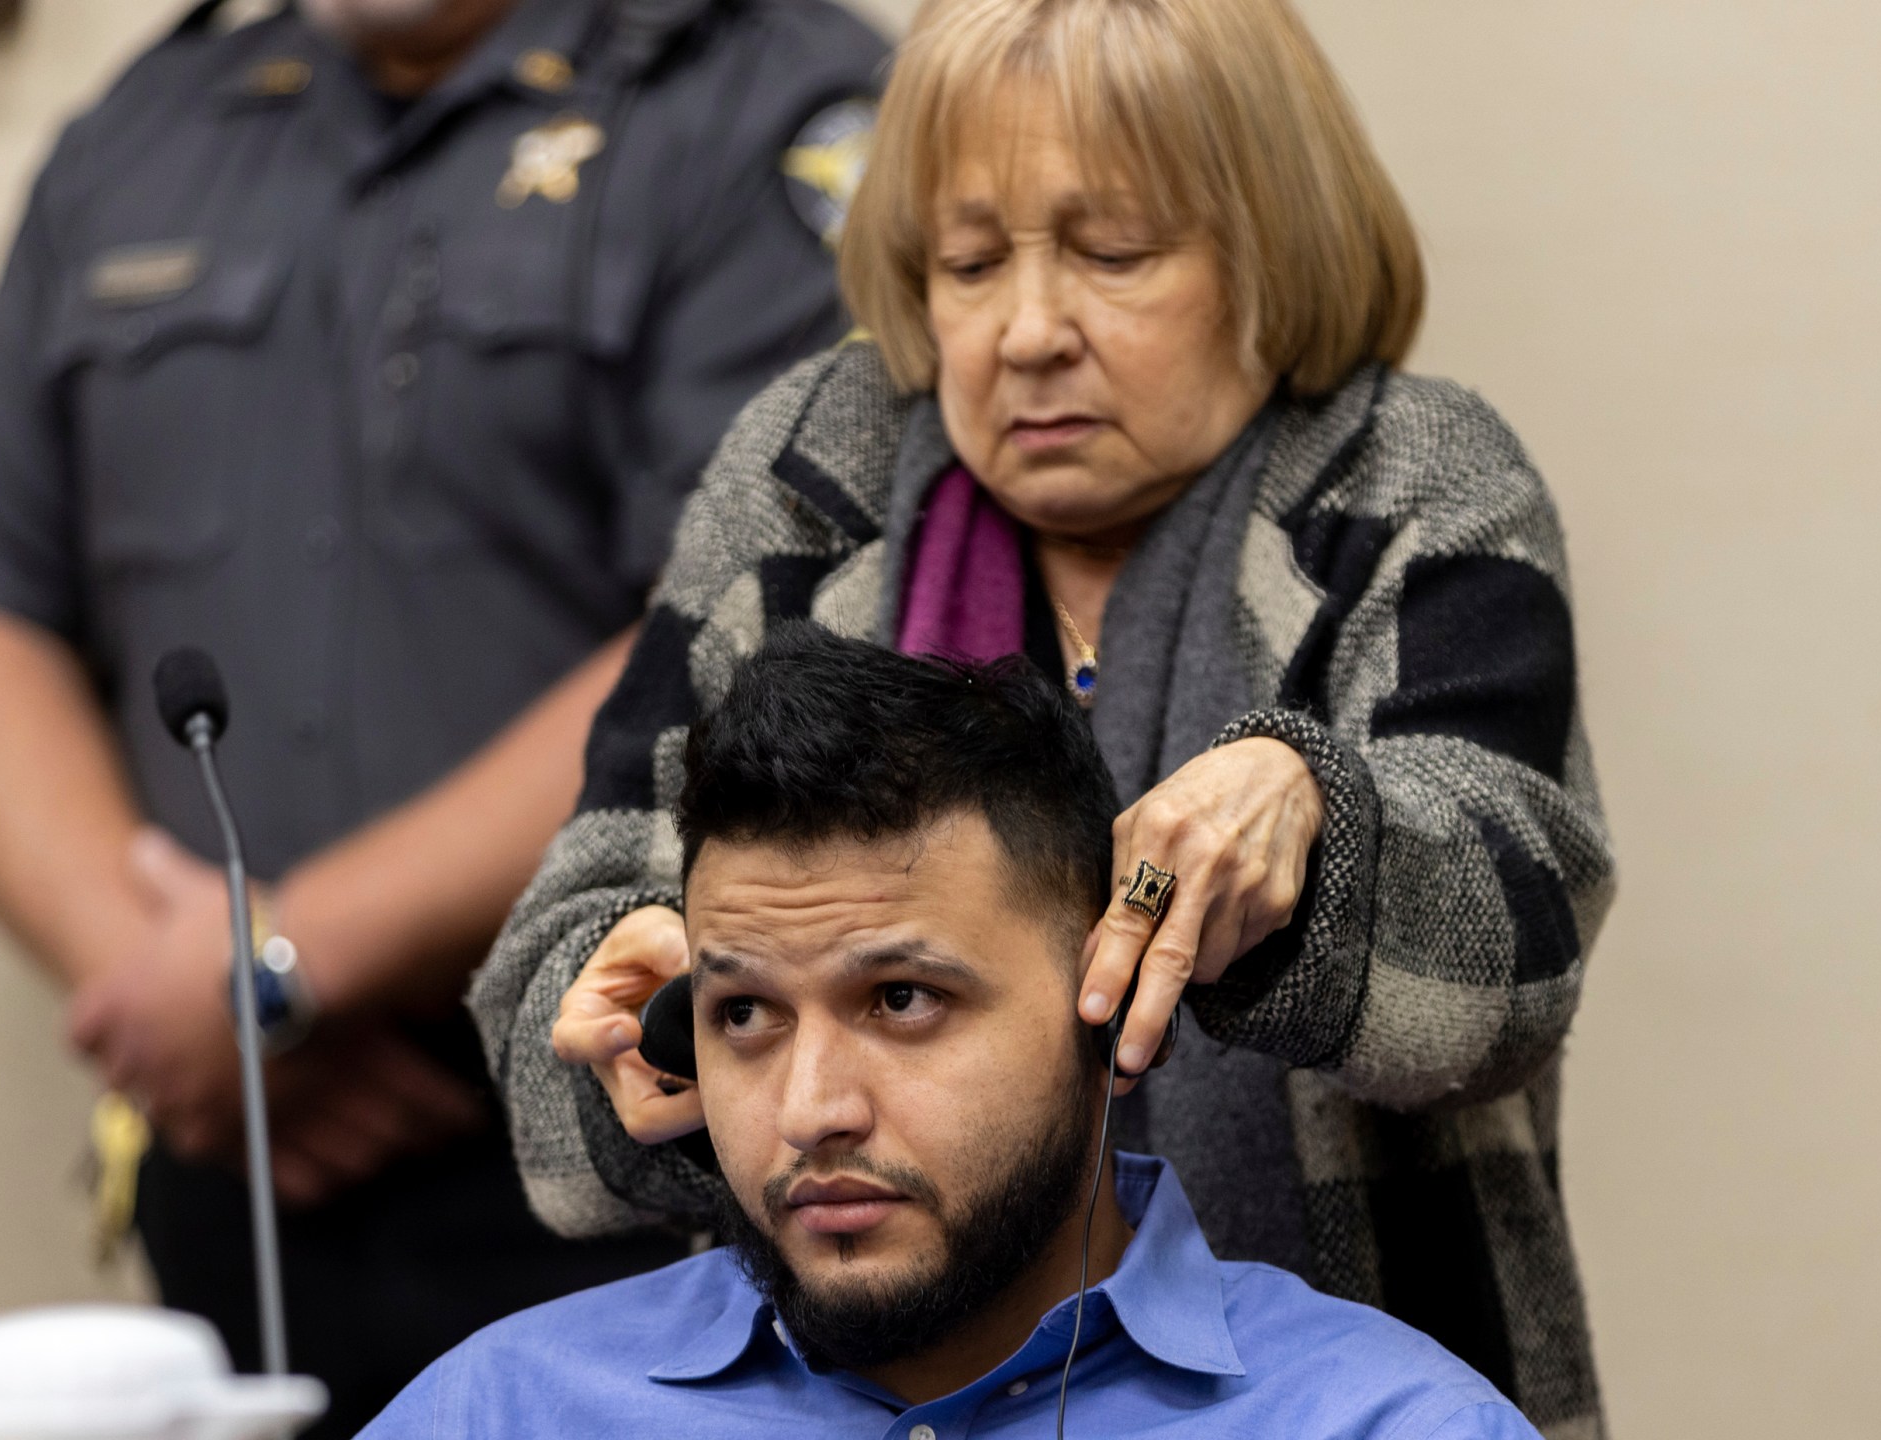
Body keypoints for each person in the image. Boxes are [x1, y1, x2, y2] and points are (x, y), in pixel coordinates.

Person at [477, 0, 1617, 1432]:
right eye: (965, 264)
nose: (1024, 335)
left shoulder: (1412, 478)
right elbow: (552, 1049)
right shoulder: (804, 480)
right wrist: (664, 1022)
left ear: (1275, 247)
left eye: (1113, 255)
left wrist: (1312, 830)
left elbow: (1505, 986)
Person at [0, 0, 887, 1430]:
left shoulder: (763, 103)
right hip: (240, 1149)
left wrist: (285, 966)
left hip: (631, 1126)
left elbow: (761, 617)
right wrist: (191, 997)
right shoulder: (154, 129)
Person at [374, 630, 1542, 1438]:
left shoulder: (1377, 1423)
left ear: (1115, 989)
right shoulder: (504, 1410)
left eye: (901, 1002)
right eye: (743, 1014)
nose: (810, 1109)